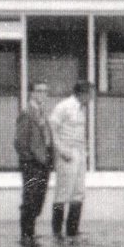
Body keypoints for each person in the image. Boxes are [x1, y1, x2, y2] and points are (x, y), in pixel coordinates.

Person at [48, 81, 93, 238]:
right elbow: (52, 128)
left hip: (79, 153)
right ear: (83, 93)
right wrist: (61, 150)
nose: (91, 98)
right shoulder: (64, 106)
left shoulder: (81, 109)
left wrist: (84, 153)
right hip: (66, 153)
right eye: (90, 94)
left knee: (78, 193)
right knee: (63, 193)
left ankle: (72, 231)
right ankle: (57, 233)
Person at [14, 81, 54, 245]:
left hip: (43, 164)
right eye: (39, 91)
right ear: (32, 93)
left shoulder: (42, 113)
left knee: (38, 200)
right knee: (30, 200)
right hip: (32, 164)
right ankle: (26, 236)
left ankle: (31, 234)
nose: (43, 94)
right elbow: (20, 142)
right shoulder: (27, 113)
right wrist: (30, 160)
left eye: (45, 91)